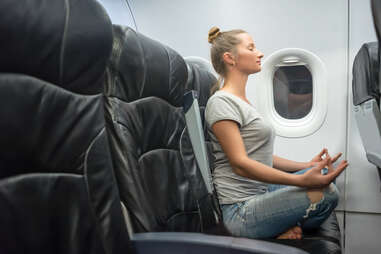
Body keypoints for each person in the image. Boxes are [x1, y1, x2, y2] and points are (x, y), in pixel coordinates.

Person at [205, 26, 348, 240]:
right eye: (251, 48)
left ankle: (278, 225)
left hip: (261, 193)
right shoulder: (221, 103)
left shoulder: (243, 102)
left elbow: (260, 157)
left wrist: (307, 167)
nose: (260, 53)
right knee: (328, 194)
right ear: (230, 58)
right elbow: (241, 164)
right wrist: (301, 181)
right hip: (240, 211)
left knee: (325, 176)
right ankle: (273, 228)